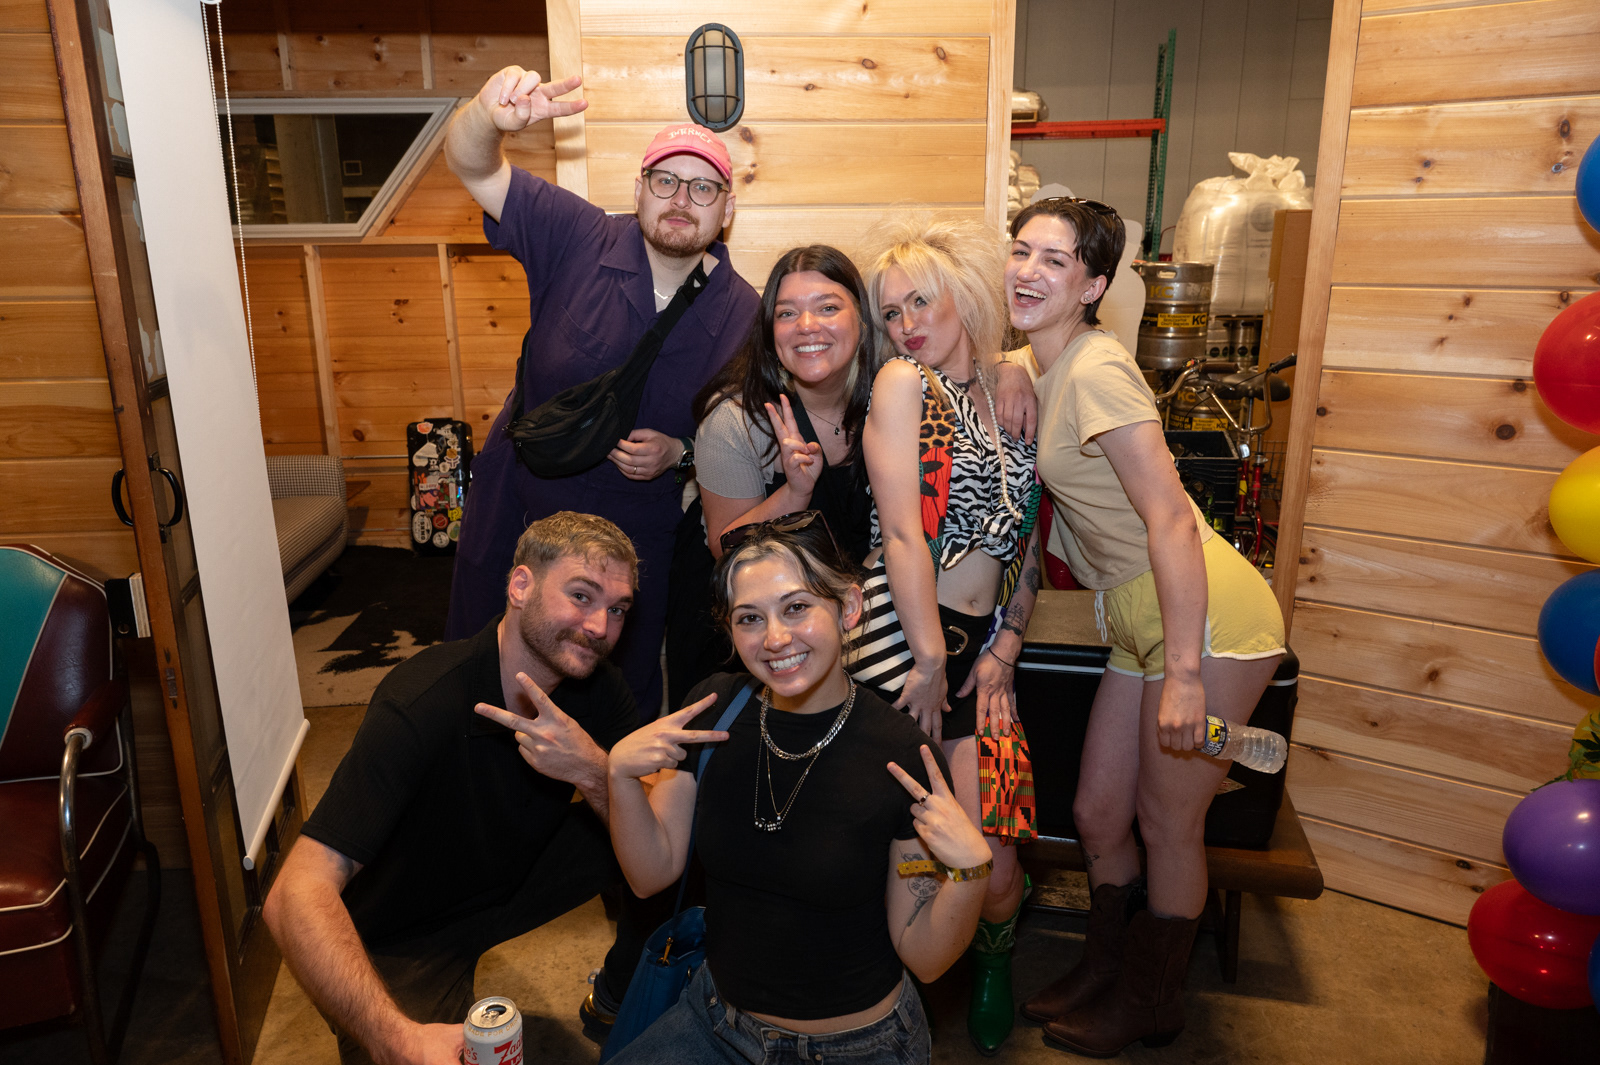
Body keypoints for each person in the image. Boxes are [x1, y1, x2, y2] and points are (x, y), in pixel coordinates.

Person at [1003, 197, 1286, 1056]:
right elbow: (999, 354)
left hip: (1204, 614)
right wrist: (1005, 363)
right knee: (1097, 812)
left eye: (1055, 261)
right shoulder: (1048, 361)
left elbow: (1170, 516)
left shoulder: (1096, 370)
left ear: (1093, 285)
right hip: (1131, 616)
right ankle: (1107, 965)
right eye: (1021, 251)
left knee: (1168, 822)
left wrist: (1189, 673)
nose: (1028, 271)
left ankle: (1154, 998)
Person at [605, 515, 994, 1064]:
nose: (775, 639)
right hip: (713, 1021)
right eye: (750, 618)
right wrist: (619, 777)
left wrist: (971, 874)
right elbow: (651, 874)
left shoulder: (901, 754)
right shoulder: (713, 710)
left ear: (848, 607)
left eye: (796, 607)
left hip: (856, 1048)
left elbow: (925, 959)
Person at [263, 513, 650, 1065]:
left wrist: (590, 769)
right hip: (402, 932)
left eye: (617, 609)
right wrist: (399, 1039)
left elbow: (659, 830)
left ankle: (625, 990)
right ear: (521, 586)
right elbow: (294, 893)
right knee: (404, 1048)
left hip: (510, 880)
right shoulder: (424, 700)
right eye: (582, 596)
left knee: (678, 841)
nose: (599, 627)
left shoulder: (598, 687)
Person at [441, 64, 761, 721]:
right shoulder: (576, 235)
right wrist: (485, 119)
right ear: (639, 189)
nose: (681, 198)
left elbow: (749, 438)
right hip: (522, 503)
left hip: (634, 532)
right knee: (483, 680)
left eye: (703, 187)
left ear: (727, 208)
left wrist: (682, 452)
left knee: (615, 703)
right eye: (665, 180)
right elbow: (472, 165)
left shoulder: (745, 314)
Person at [855, 215, 1045, 1054]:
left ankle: (994, 963)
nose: (905, 325)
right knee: (904, 845)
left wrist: (1006, 646)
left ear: (962, 297)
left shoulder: (1011, 392)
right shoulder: (904, 384)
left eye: (920, 302)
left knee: (993, 856)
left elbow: (1028, 546)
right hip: (904, 639)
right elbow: (902, 532)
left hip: (982, 651)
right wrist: (930, 656)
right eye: (891, 312)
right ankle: (882, 999)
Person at [665, 245, 879, 709]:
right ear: (770, 332)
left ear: (862, 322)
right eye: (787, 313)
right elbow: (725, 548)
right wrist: (796, 491)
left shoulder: (889, 402)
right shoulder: (736, 421)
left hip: (846, 627)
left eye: (828, 307)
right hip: (740, 635)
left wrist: (1009, 374)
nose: (807, 325)